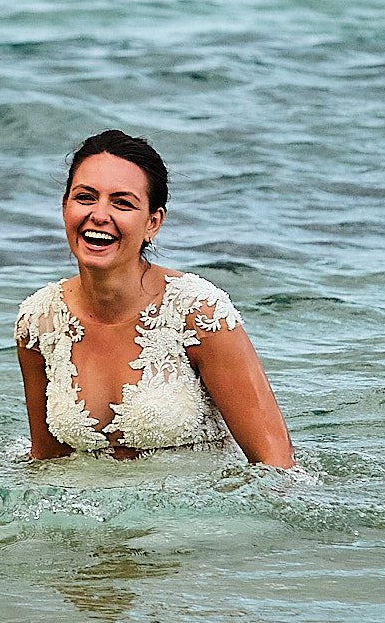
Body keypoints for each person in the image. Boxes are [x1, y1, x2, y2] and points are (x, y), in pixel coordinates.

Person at [15, 129, 294, 469]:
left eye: (122, 203)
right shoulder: (39, 320)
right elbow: (46, 462)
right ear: (64, 208)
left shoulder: (198, 311)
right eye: (85, 197)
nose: (99, 214)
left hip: (200, 514)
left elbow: (276, 464)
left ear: (153, 223)